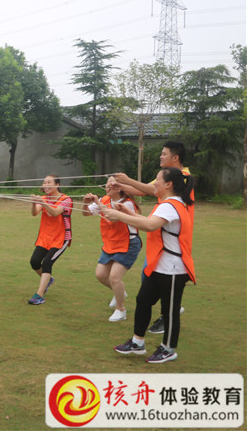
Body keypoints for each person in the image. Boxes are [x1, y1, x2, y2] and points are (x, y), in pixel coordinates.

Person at [106, 167, 196, 363]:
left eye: (157, 180)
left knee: (170, 310)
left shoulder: (170, 205)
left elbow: (149, 226)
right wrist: (127, 212)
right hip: (159, 266)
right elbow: (151, 222)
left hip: (173, 269)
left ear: (168, 184)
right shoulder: (169, 204)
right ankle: (137, 342)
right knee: (143, 300)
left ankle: (168, 348)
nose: (153, 184)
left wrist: (120, 216)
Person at [113, 140, 192, 333]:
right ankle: (146, 332)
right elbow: (143, 190)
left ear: (175, 157)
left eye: (164, 153)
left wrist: (127, 181)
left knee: (154, 282)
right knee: (148, 283)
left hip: (172, 239)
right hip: (159, 238)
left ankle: (168, 316)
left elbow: (149, 191)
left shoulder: (182, 177)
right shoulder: (166, 180)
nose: (160, 156)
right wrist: (119, 185)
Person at [82, 176, 142, 322]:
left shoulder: (127, 204)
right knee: (101, 275)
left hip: (128, 243)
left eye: (111, 184)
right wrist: (85, 204)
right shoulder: (104, 200)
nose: (108, 186)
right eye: (107, 183)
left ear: (121, 188)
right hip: (111, 243)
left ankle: (121, 309)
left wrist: (97, 202)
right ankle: (119, 291)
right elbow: (86, 213)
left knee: (114, 277)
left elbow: (111, 217)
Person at [27, 175, 73, 305]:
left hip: (60, 238)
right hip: (45, 237)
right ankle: (48, 279)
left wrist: (43, 203)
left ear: (57, 185)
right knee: (34, 262)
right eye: (44, 182)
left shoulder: (66, 200)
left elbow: (55, 212)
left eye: (49, 182)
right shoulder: (44, 198)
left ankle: (39, 295)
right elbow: (34, 213)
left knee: (47, 263)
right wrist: (34, 203)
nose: (46, 185)